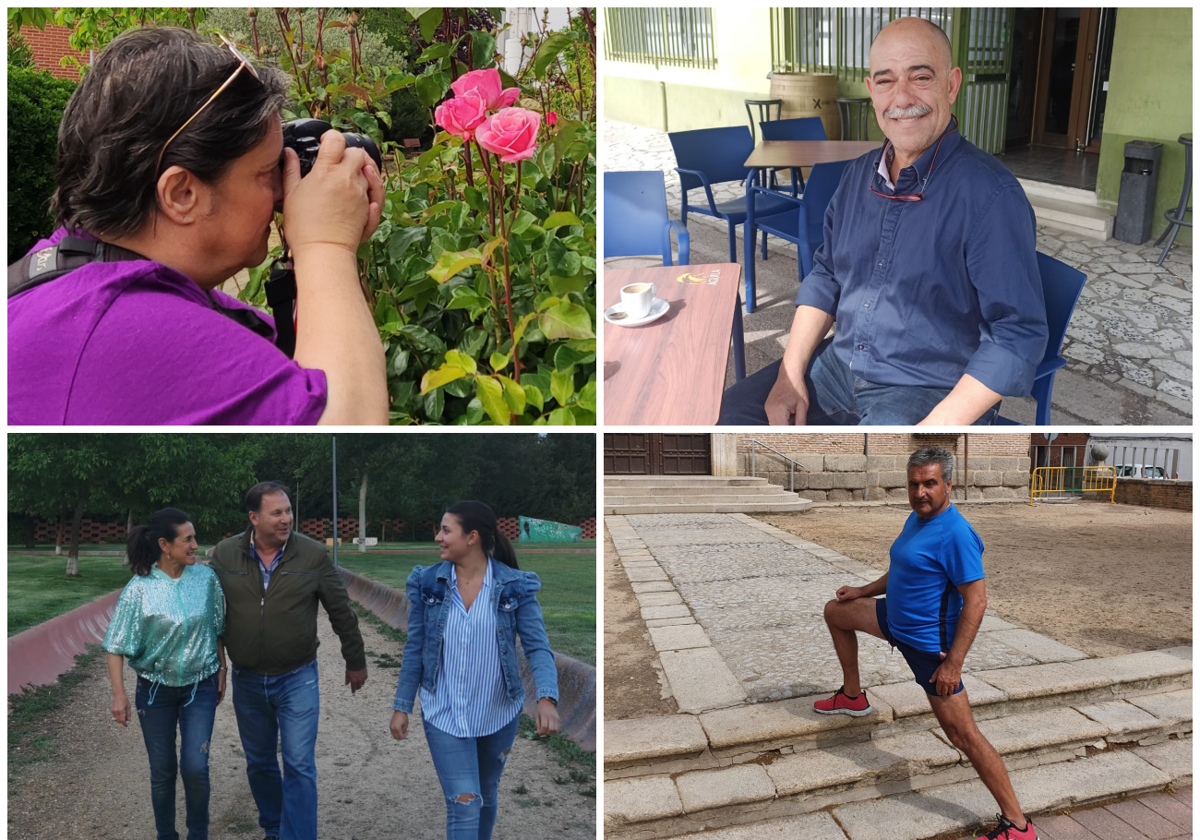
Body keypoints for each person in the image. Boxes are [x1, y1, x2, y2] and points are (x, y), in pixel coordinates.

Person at [8, 26, 386, 425]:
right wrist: (327, 246)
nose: (283, 192)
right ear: (182, 194)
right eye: (265, 172)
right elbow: (350, 423)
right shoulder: (128, 331)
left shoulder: (66, 279)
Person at [718, 17, 1048, 426]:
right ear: (872, 91)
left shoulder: (990, 195)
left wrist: (931, 431)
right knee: (731, 418)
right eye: (886, 80)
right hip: (840, 367)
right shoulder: (858, 175)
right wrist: (789, 375)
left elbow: (1017, 334)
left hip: (929, 390)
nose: (902, 96)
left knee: (867, 485)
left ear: (951, 84)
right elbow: (827, 275)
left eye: (921, 76)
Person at [815, 448, 1037, 840]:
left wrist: (953, 664)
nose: (920, 492)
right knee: (836, 611)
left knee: (963, 736)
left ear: (948, 484)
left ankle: (1018, 825)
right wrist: (863, 591)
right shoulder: (917, 518)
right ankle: (852, 697)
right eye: (914, 484)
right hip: (893, 621)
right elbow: (903, 567)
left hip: (928, 650)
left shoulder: (956, 533)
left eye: (930, 483)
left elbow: (978, 601)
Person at [390, 500, 561, 840]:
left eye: (445, 530)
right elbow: (415, 648)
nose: (438, 537)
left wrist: (546, 698)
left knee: (485, 797)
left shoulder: (515, 586)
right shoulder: (428, 583)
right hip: (444, 711)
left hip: (498, 712)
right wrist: (402, 705)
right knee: (465, 803)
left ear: (472, 537)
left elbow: (537, 646)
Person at [211, 481, 367, 840]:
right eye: (276, 512)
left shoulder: (312, 555)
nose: (286, 519)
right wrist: (218, 666)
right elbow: (213, 616)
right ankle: (273, 826)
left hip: (297, 677)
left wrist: (355, 660)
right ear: (254, 517)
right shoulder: (225, 555)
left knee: (298, 763)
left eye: (288, 511)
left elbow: (340, 611)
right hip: (247, 679)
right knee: (261, 763)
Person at [103, 508, 226, 840]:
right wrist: (119, 693)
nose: (195, 546)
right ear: (164, 544)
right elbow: (115, 645)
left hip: (200, 686)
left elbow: (217, 628)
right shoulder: (139, 589)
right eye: (187, 539)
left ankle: (197, 833)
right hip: (155, 691)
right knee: (163, 771)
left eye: (194, 538)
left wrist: (222, 668)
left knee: (195, 767)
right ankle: (165, 835)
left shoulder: (206, 579)